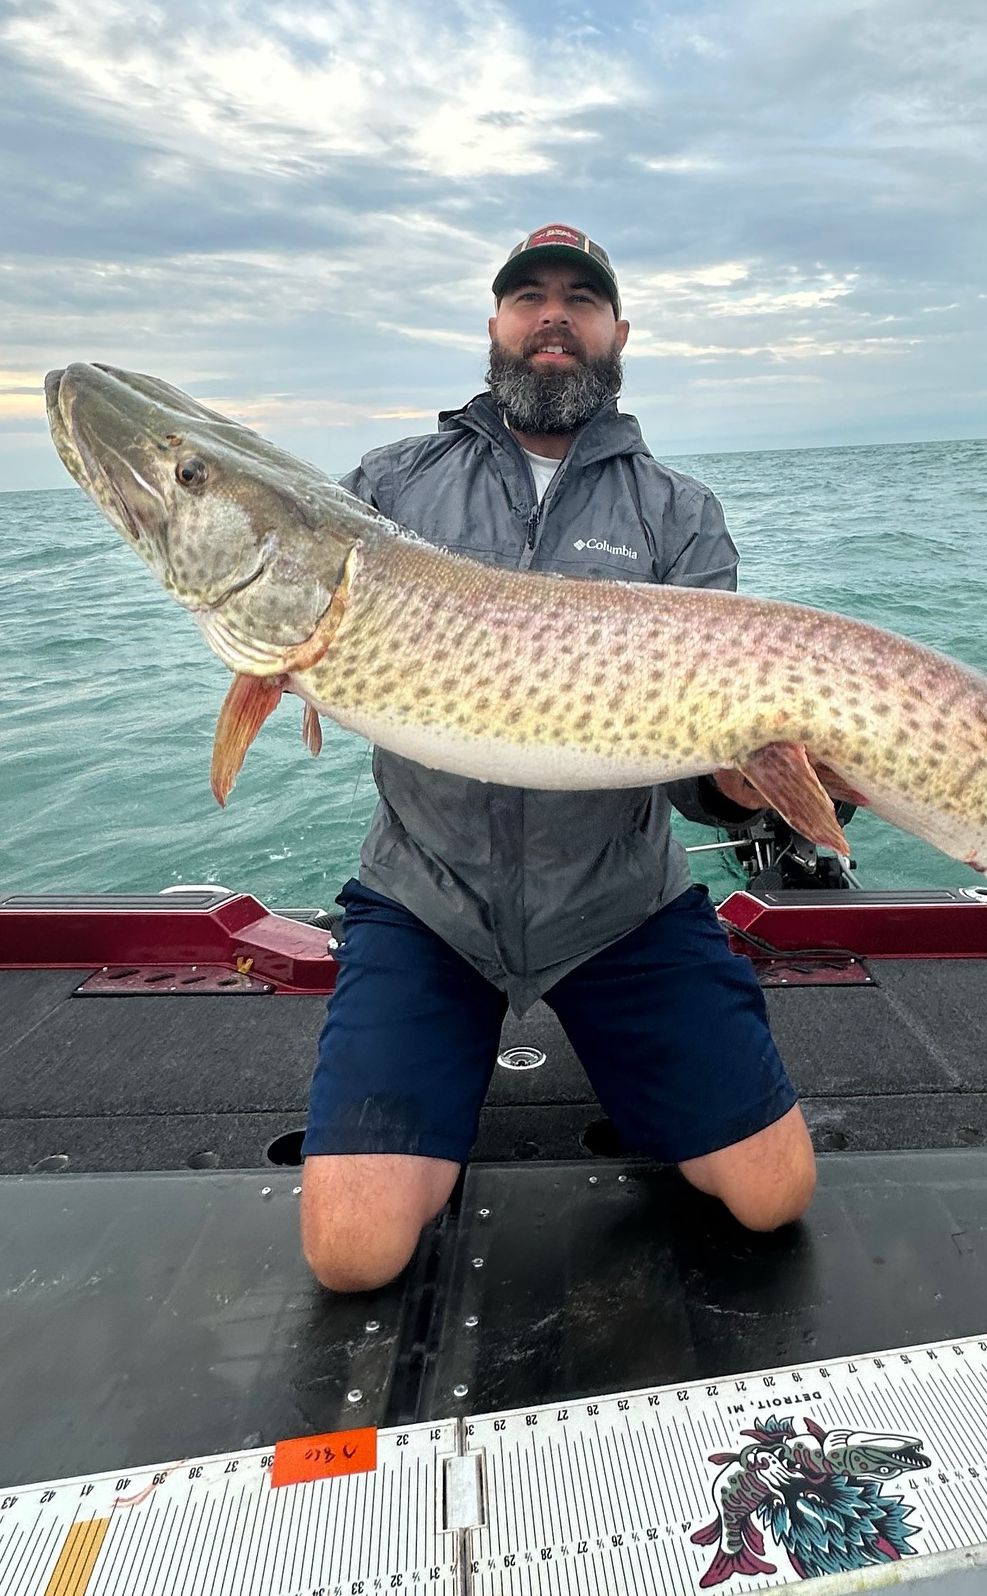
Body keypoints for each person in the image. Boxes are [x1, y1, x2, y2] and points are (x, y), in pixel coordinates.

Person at [300, 224, 816, 1291]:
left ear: (617, 332)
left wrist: (756, 772)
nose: (554, 314)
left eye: (581, 298)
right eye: (529, 295)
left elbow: (694, 767)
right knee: (353, 1253)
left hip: (619, 903)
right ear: (494, 326)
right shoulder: (385, 490)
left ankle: (634, 1062)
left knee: (774, 1197)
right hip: (428, 897)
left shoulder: (678, 513)